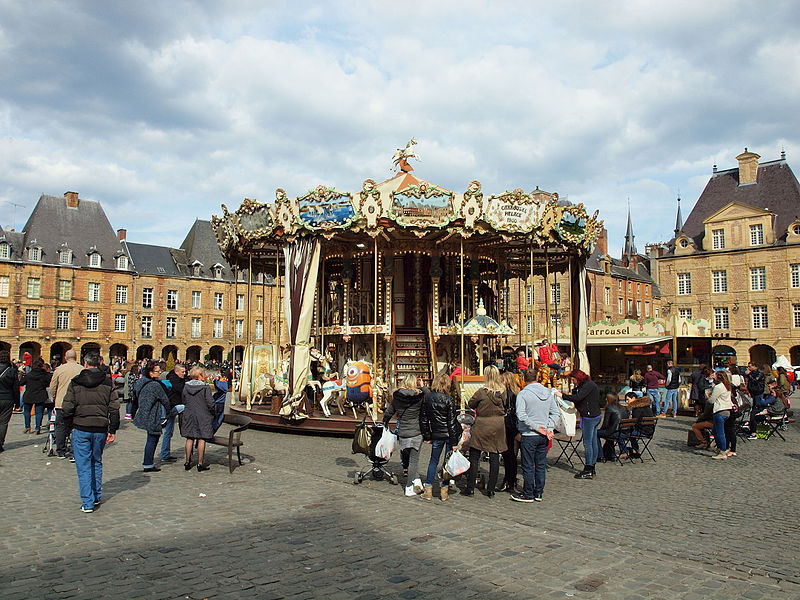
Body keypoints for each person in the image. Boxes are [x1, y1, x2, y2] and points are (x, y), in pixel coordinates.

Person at [61, 352, 120, 513]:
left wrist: (67, 426)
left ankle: (87, 501)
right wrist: (113, 429)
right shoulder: (107, 382)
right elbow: (114, 407)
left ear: (85, 364)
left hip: (81, 427)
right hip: (100, 428)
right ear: (99, 363)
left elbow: (67, 407)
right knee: (96, 461)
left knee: (84, 465)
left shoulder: (76, 382)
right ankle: (96, 496)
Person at [510, 369, 560, 503]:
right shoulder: (547, 392)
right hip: (542, 434)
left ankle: (528, 493)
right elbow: (556, 413)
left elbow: (521, 415)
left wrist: (542, 428)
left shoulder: (523, 394)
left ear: (524, 379)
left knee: (528, 465)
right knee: (540, 465)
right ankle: (538, 492)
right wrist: (548, 427)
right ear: (537, 377)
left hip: (529, 433)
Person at [464, 365, 507, 498]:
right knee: (494, 455)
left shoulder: (481, 392)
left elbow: (470, 404)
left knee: (475, 455)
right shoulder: (503, 391)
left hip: (483, 424)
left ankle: (470, 487)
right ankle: (491, 489)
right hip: (498, 424)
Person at [419, 372, 462, 501]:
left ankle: (428, 488)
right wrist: (454, 441)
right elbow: (452, 422)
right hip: (448, 434)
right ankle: (444, 490)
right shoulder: (448, 399)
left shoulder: (428, 398)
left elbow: (424, 419)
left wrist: (427, 435)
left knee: (433, 460)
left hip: (437, 433)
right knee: (447, 462)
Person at [383, 375, 425, 497]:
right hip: (416, 431)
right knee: (414, 460)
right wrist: (422, 385)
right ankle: (409, 486)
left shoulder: (397, 397)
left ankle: (416, 479)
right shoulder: (420, 397)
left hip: (403, 431)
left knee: (407, 457)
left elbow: (389, 412)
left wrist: (384, 423)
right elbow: (428, 395)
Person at [557, 369, 601, 478]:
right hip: (594, 415)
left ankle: (588, 467)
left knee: (588, 443)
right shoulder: (588, 385)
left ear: (578, 378)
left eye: (573, 380)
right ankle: (592, 466)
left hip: (589, 417)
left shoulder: (587, 386)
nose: (573, 382)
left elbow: (577, 398)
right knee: (593, 441)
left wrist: (562, 395)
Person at [132, 361, 171, 472]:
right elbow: (165, 400)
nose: (159, 373)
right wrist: (168, 412)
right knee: (153, 439)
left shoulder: (140, 382)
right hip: (153, 414)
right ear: (151, 373)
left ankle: (148, 462)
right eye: (157, 371)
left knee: (151, 438)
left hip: (144, 412)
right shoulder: (155, 385)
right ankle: (148, 463)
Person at [49, 349, 85, 459]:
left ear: (65, 357)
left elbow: (53, 386)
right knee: (76, 428)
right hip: (77, 402)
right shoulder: (82, 369)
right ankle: (74, 452)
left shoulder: (59, 369)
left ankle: (61, 450)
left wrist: (54, 398)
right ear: (76, 357)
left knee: (60, 427)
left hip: (61, 403)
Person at [180, 365, 215, 472]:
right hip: (202, 415)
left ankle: (187, 461)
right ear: (200, 375)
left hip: (189, 414)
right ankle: (200, 463)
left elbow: (184, 399)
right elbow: (210, 403)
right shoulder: (205, 387)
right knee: (201, 438)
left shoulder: (186, 386)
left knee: (189, 438)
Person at [498, 371, 521, 493]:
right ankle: (510, 479)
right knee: (510, 455)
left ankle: (510, 480)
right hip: (512, 428)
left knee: (509, 455)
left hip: (509, 428)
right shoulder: (515, 394)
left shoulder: (510, 395)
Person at [160, 364, 187, 463]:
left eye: (185, 371)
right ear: (176, 372)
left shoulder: (178, 378)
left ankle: (165, 454)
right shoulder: (174, 379)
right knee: (189, 407)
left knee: (168, 432)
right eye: (182, 372)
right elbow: (181, 389)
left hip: (172, 407)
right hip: (171, 407)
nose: (184, 373)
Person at [20, 358, 52, 434]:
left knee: (27, 412)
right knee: (39, 412)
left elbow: (21, 383)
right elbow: (49, 383)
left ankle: (27, 426)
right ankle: (37, 427)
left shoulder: (29, 374)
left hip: (29, 394)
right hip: (40, 395)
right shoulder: (44, 375)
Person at [709, 370, 734, 460]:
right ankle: (721, 448)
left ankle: (723, 451)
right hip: (727, 410)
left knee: (720, 433)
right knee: (715, 431)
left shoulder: (719, 387)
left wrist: (708, 397)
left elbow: (712, 400)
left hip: (720, 410)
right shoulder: (727, 386)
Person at [621, 392, 655, 459]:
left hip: (643, 431)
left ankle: (625, 452)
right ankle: (636, 450)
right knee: (630, 434)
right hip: (650, 430)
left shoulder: (636, 408)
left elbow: (634, 422)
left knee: (621, 434)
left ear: (633, 398)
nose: (627, 402)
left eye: (628, 399)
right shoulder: (645, 406)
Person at [597, 393, 629, 460]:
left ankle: (600, 455)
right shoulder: (624, 408)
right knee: (608, 433)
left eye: (606, 398)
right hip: (624, 432)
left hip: (614, 432)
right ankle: (610, 454)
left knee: (595, 433)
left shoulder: (609, 408)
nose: (605, 399)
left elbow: (605, 424)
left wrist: (601, 430)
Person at [0, 350, 20, 452]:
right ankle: (0, 443)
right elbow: (15, 388)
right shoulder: (12, 370)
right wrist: (17, 403)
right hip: (7, 398)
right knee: (3, 423)